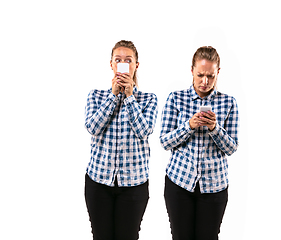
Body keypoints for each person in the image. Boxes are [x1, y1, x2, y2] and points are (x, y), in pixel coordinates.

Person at [160, 46, 239, 240]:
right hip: (179, 184)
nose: (205, 82)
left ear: (218, 72)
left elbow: (232, 147)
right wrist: (189, 126)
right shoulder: (176, 98)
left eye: (211, 76)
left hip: (214, 187)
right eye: (200, 75)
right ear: (192, 71)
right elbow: (164, 141)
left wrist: (215, 129)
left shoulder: (229, 103)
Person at [84, 40, 158, 240]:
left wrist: (130, 96)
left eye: (128, 60)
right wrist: (113, 96)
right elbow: (92, 127)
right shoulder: (96, 96)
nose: (123, 64)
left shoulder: (149, 99)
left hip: (134, 185)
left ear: (136, 65)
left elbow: (144, 130)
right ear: (111, 64)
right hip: (98, 182)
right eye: (118, 60)